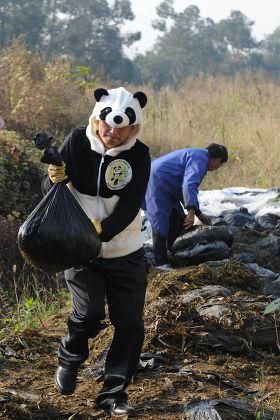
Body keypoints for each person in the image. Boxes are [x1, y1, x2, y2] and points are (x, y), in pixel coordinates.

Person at [42, 87, 151, 417]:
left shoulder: (139, 155)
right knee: (89, 314)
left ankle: (113, 392)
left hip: (125, 250)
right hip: (78, 250)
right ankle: (71, 353)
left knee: (130, 324)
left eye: (122, 128)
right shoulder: (75, 141)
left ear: (134, 127)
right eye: (107, 126)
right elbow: (51, 193)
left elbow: (131, 205)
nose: (113, 133)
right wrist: (52, 179)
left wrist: (102, 230)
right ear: (96, 119)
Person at [142, 143, 228, 270]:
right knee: (160, 223)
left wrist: (198, 213)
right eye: (220, 164)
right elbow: (189, 186)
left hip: (166, 184)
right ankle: (161, 264)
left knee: (177, 217)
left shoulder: (199, 155)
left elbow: (184, 188)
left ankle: (174, 249)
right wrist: (191, 213)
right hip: (156, 183)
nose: (218, 167)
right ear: (216, 160)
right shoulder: (201, 160)